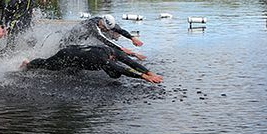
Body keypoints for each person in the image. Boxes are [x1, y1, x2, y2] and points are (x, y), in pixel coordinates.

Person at [20, 44, 163, 84]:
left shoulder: (112, 51)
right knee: (49, 65)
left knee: (74, 70)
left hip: (76, 51)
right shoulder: (104, 60)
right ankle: (27, 64)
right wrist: (143, 77)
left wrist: (149, 72)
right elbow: (122, 69)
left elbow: (129, 61)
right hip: (68, 55)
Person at [63, 15, 146, 61]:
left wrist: (132, 38)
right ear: (102, 24)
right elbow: (105, 40)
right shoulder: (93, 26)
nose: (106, 31)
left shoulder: (102, 21)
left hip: (82, 40)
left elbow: (119, 30)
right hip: (69, 41)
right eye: (105, 29)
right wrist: (123, 49)